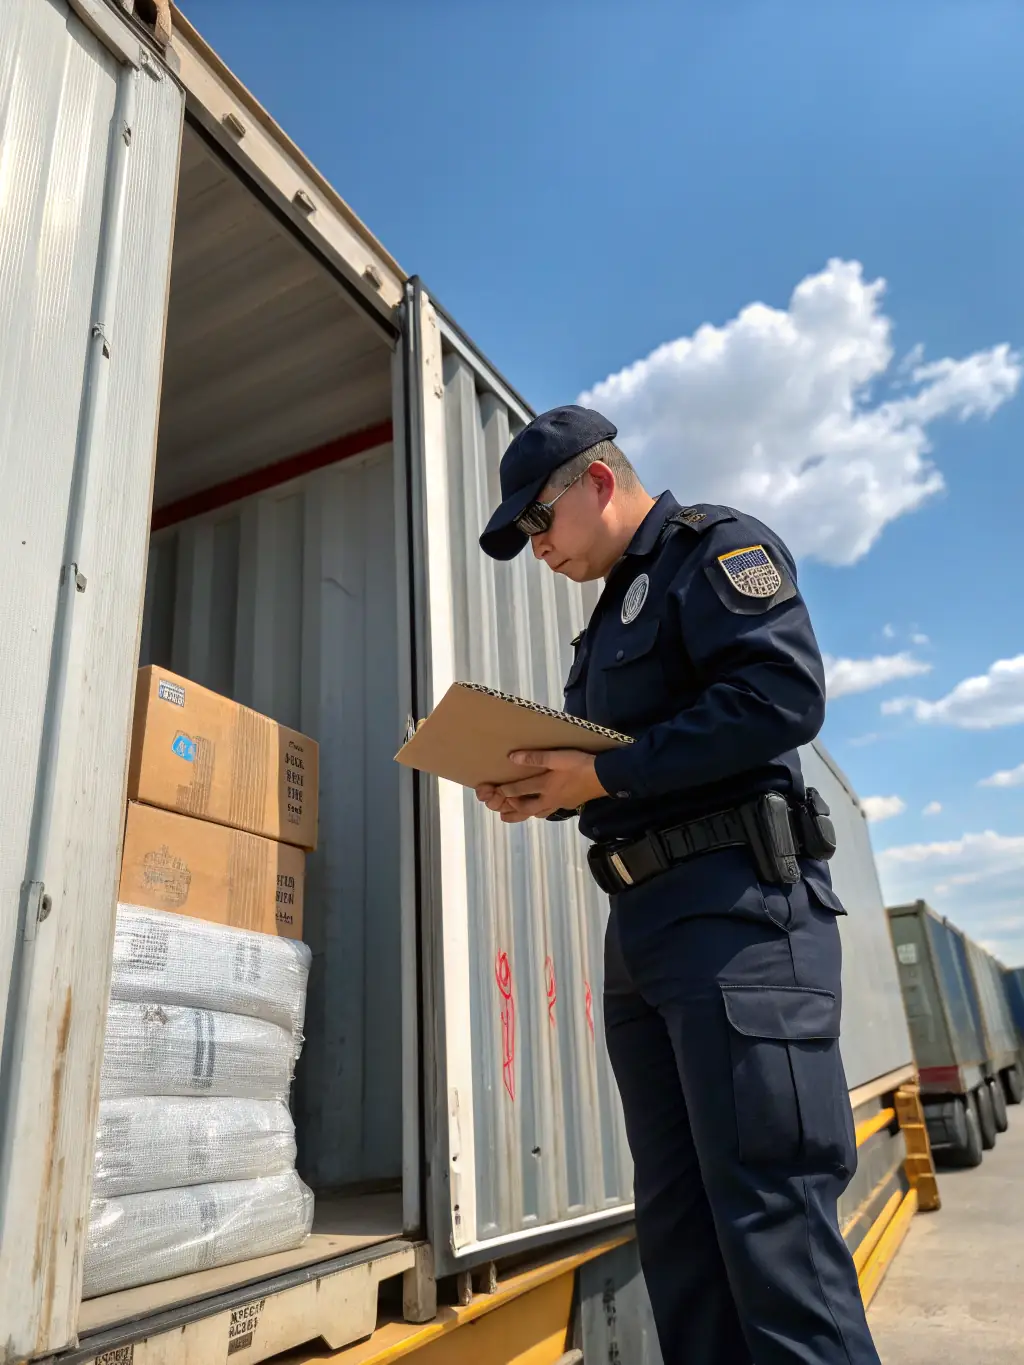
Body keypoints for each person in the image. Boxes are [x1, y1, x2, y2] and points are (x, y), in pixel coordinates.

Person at [475, 405, 882, 1365]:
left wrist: (604, 775)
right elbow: (631, 762)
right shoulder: (607, 619)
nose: (536, 550)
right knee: (681, 1234)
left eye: (538, 523)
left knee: (772, 1225)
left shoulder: (715, 551)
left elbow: (780, 697)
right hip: (646, 935)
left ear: (598, 483)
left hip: (739, 919)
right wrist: (551, 788)